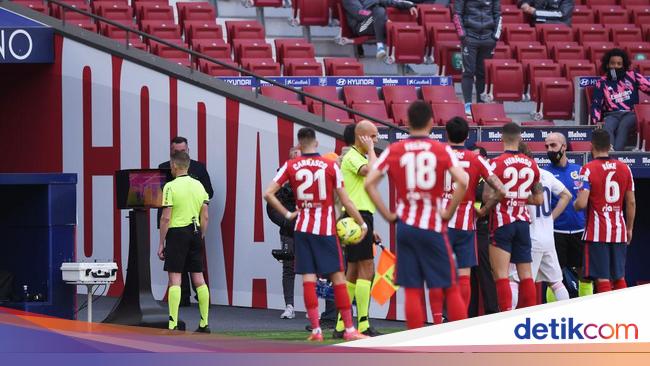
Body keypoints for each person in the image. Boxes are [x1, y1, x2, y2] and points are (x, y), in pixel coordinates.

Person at [365, 101, 469, 329]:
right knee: (449, 285)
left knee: (412, 288)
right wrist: (448, 211)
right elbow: (463, 180)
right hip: (432, 225)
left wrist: (388, 215)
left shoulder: (395, 149)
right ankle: (463, 343)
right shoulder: (441, 150)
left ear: (406, 122)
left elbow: (370, 182)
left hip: (405, 226)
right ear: (432, 122)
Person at [264, 127, 369, 342]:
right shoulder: (330, 165)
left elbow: (268, 193)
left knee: (309, 279)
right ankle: (349, 329)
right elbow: (346, 199)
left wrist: (287, 213)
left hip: (302, 228)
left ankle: (316, 330)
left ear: (299, 144)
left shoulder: (291, 165)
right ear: (317, 143)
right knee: (338, 277)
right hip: (326, 228)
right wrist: (362, 223)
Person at [442, 117, 506, 316]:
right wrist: (484, 210)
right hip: (465, 223)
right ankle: (460, 319)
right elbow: (501, 190)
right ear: (467, 136)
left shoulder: (436, 155)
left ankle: (440, 319)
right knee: (464, 275)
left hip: (440, 221)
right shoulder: (475, 158)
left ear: (446, 134)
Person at [482, 122, 543, 312]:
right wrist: (520, 198)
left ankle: (506, 317)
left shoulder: (495, 163)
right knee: (526, 275)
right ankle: (529, 320)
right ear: (520, 139)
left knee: (501, 275)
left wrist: (498, 202)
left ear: (502, 138)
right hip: (523, 223)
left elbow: (486, 196)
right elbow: (539, 199)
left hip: (502, 222)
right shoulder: (532, 164)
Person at [509, 142, 572, 308]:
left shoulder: (520, 177)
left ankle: (506, 317)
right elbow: (567, 195)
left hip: (529, 237)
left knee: (513, 280)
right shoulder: (546, 174)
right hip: (548, 237)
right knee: (556, 282)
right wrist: (551, 218)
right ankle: (569, 315)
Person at [574, 129, 636, 293]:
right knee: (619, 277)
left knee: (602, 277)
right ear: (610, 146)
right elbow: (631, 202)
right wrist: (629, 229)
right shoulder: (625, 168)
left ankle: (606, 316)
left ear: (591, 146)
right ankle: (622, 315)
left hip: (597, 233)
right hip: (619, 230)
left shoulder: (587, 169)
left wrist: (575, 204)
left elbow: (581, 203)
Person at [335, 120, 382, 337]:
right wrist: (372, 151)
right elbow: (371, 172)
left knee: (352, 273)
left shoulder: (358, 156)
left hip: (359, 217)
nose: (376, 140)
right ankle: (363, 324)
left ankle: (340, 325)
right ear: (361, 136)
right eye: (372, 136)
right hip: (357, 217)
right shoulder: (353, 157)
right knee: (366, 269)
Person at [158, 151, 211, 332]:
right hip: (195, 232)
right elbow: (205, 215)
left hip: (176, 233)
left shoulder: (169, 187)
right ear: (188, 166)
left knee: (175, 278)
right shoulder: (199, 186)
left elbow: (166, 217)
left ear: (173, 166)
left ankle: (173, 324)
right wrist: (201, 234)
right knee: (199, 277)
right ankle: (204, 323)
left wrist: (161, 243)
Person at [544, 132, 593, 299]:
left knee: (585, 276)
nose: (549, 150)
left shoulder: (579, 171)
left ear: (564, 147)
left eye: (553, 145)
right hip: (556, 233)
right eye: (547, 146)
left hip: (579, 231)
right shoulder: (545, 174)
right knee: (553, 278)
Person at [591, 48, 650, 151]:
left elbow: (648, 87)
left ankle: (616, 154)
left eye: (619, 64)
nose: (615, 66)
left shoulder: (632, 76)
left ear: (624, 65)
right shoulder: (601, 82)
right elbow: (596, 104)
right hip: (611, 115)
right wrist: (596, 121)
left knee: (623, 126)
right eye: (612, 63)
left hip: (630, 114)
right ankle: (609, 151)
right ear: (607, 65)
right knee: (607, 127)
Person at [266, 146, 300, 319]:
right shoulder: (279, 179)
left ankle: (315, 308)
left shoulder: (312, 178)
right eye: (292, 157)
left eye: (298, 157)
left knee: (314, 269)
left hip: (308, 230)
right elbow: (271, 208)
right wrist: (286, 222)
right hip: (287, 231)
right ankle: (289, 306)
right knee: (288, 267)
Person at [467, 144, 500, 316]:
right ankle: (469, 314)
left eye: (477, 157)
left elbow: (498, 194)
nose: (473, 161)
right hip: (465, 226)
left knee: (484, 271)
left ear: (485, 159)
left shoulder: (489, 178)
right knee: (468, 273)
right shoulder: (467, 175)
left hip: (482, 226)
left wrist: (482, 211)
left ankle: (492, 312)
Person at [453, 0, 502, 115]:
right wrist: (462, 36)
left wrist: (495, 36)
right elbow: (457, 14)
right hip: (470, 37)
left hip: (488, 38)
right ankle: (468, 104)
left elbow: (498, 15)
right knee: (468, 72)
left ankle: (481, 104)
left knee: (482, 73)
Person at [342, 0, 418, 62]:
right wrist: (379, 17)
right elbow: (359, 13)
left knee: (384, 16)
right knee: (379, 11)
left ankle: (385, 49)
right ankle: (382, 47)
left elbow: (390, 2)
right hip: (360, 26)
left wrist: (409, 6)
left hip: (376, 20)